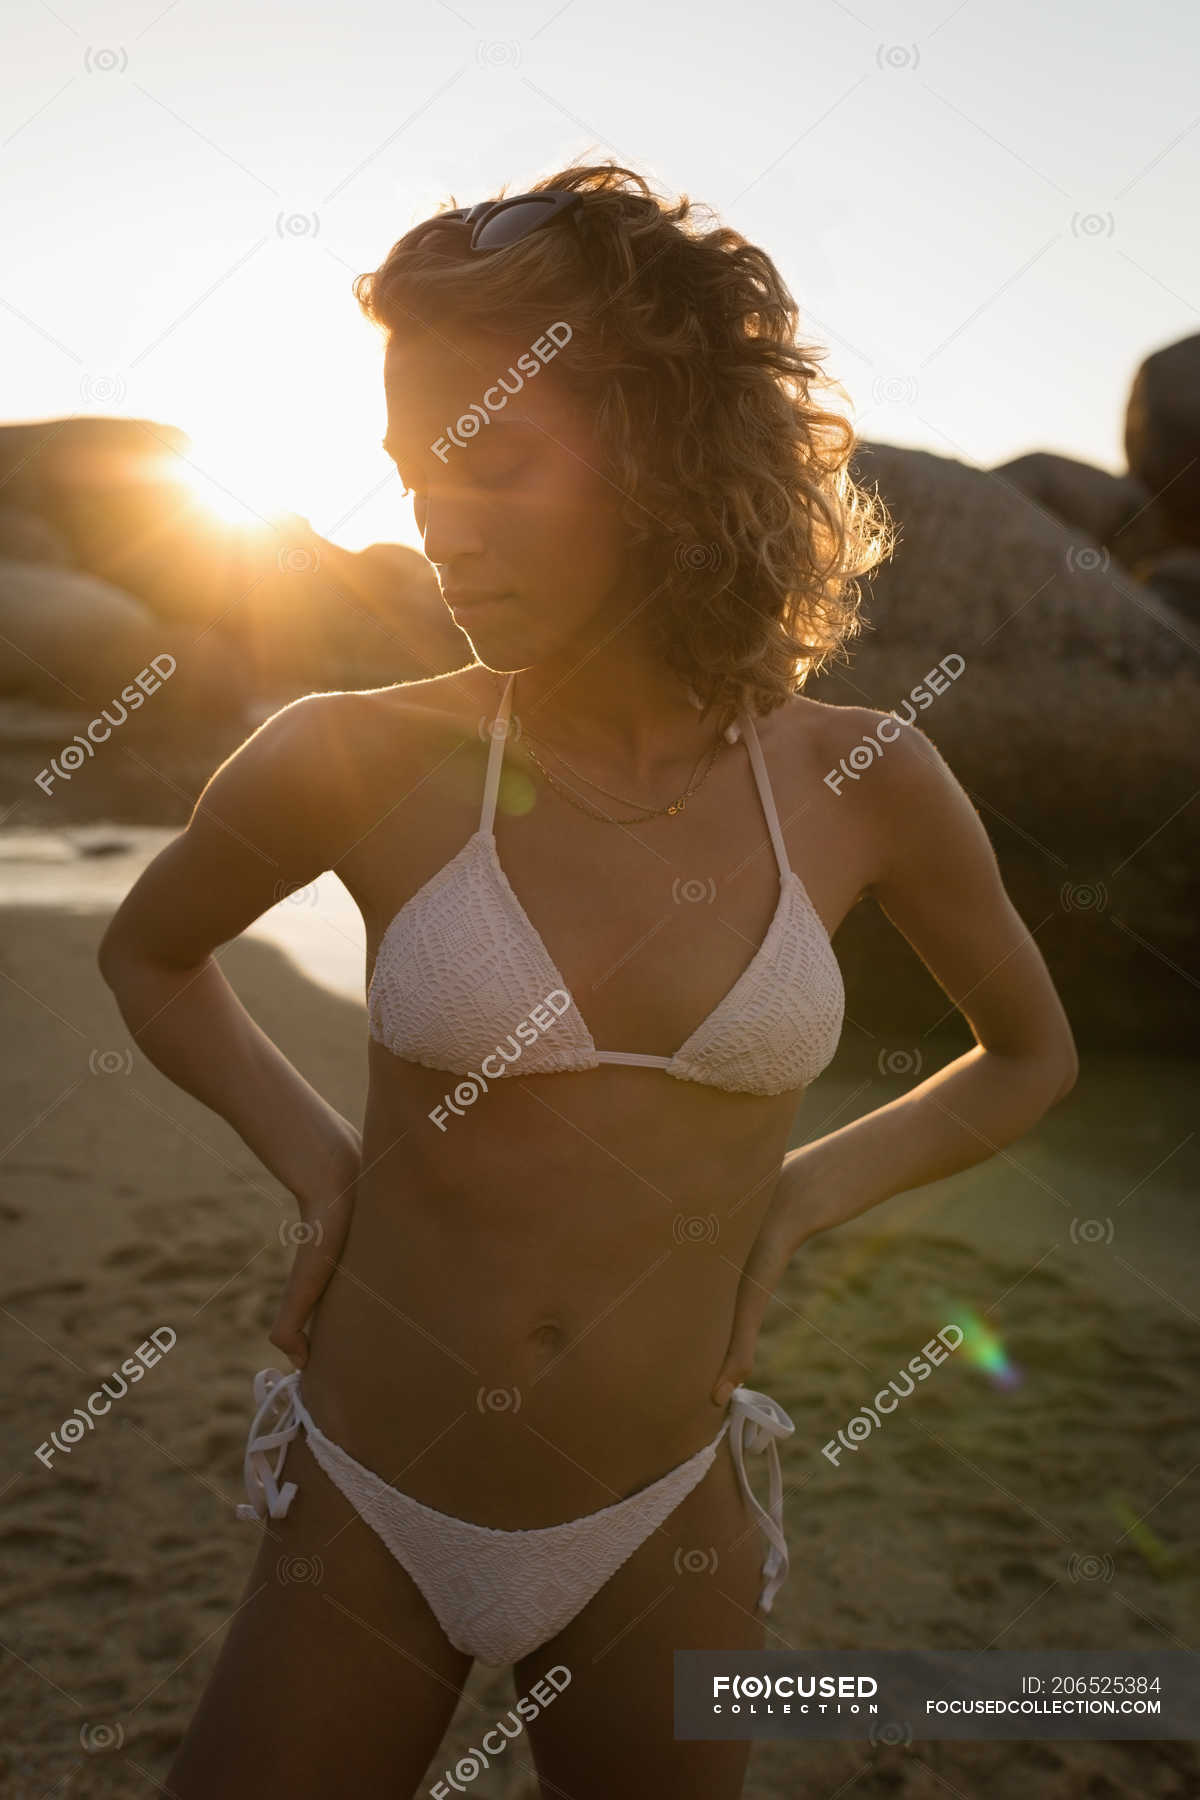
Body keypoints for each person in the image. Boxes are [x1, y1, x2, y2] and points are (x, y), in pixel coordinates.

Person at [98, 162, 1078, 1800]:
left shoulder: (866, 780)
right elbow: (147, 952)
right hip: (377, 1498)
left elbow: (1025, 1058)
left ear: (663, 451)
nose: (435, 522)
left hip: (660, 1515)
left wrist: (794, 1201)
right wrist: (318, 1168)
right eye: (414, 473)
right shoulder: (354, 755)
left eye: (491, 460)